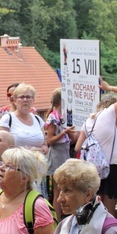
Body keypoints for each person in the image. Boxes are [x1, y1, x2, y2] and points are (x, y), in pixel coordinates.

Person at [75, 79, 117, 215]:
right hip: (110, 167)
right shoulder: (108, 114)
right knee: (108, 211)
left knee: (92, 208)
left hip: (91, 169)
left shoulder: (88, 121)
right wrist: (109, 88)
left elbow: (78, 147)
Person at [45, 88, 76, 216]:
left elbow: (72, 139)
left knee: (63, 187)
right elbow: (50, 140)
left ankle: (61, 216)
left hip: (65, 151)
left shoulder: (65, 117)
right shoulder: (53, 117)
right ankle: (56, 219)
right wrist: (64, 132)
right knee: (58, 190)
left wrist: (70, 133)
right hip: (57, 153)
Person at [0, 83, 46, 153]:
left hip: (37, 162)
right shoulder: (7, 119)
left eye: (28, 97)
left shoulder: (38, 120)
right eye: (21, 97)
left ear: (33, 100)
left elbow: (45, 145)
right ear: (15, 100)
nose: (25, 100)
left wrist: (42, 150)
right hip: (14, 162)